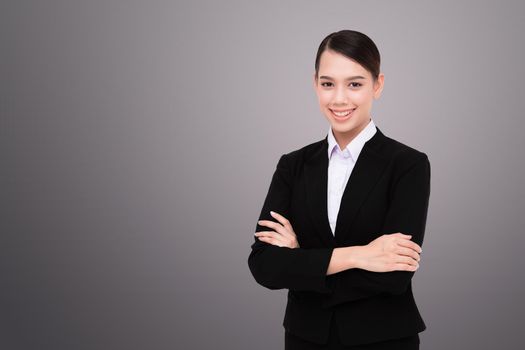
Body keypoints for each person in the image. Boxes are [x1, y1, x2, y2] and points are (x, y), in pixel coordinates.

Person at [248, 29, 430, 350]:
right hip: (306, 339)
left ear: (378, 85)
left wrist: (301, 261)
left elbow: (393, 276)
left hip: (383, 339)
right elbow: (264, 265)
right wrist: (361, 255)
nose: (339, 99)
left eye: (355, 84)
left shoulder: (408, 165)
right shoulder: (293, 165)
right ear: (315, 84)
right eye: (328, 83)